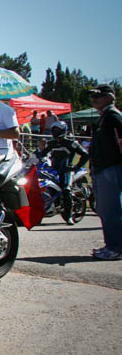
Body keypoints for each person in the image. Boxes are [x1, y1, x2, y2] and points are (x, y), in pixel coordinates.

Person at [88, 85, 122, 260]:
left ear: (109, 97)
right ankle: (111, 245)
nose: (94, 99)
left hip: (111, 168)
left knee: (111, 210)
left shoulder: (113, 116)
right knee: (105, 209)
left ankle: (116, 248)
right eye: (93, 96)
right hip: (102, 168)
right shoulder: (104, 117)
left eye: (98, 96)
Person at [37, 121, 89, 225]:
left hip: (67, 170)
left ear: (63, 130)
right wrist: (33, 159)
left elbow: (85, 155)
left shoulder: (71, 143)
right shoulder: (51, 143)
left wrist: (76, 167)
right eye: (54, 130)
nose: (55, 132)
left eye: (57, 130)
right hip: (54, 170)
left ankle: (68, 215)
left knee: (66, 189)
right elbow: (42, 154)